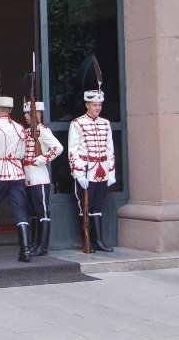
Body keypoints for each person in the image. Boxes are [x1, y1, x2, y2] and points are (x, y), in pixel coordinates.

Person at [0, 95, 32, 262]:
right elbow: (23, 152)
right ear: (10, 110)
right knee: (19, 211)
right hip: (16, 172)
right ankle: (25, 250)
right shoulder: (19, 127)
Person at [68, 89, 115, 253]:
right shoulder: (77, 123)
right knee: (85, 207)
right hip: (86, 171)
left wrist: (112, 172)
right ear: (87, 105)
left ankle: (99, 241)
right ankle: (87, 241)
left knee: (97, 207)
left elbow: (109, 149)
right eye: (95, 105)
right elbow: (73, 151)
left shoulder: (105, 123)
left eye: (100, 105)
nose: (98, 108)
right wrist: (79, 173)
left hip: (101, 171)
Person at [23, 100, 64, 256]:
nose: (26, 116)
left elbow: (58, 148)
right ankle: (34, 243)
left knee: (43, 211)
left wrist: (42, 159)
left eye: (29, 113)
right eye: (26, 113)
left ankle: (43, 246)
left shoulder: (43, 131)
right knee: (33, 211)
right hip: (28, 176)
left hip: (39, 176)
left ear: (38, 114)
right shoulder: (27, 132)